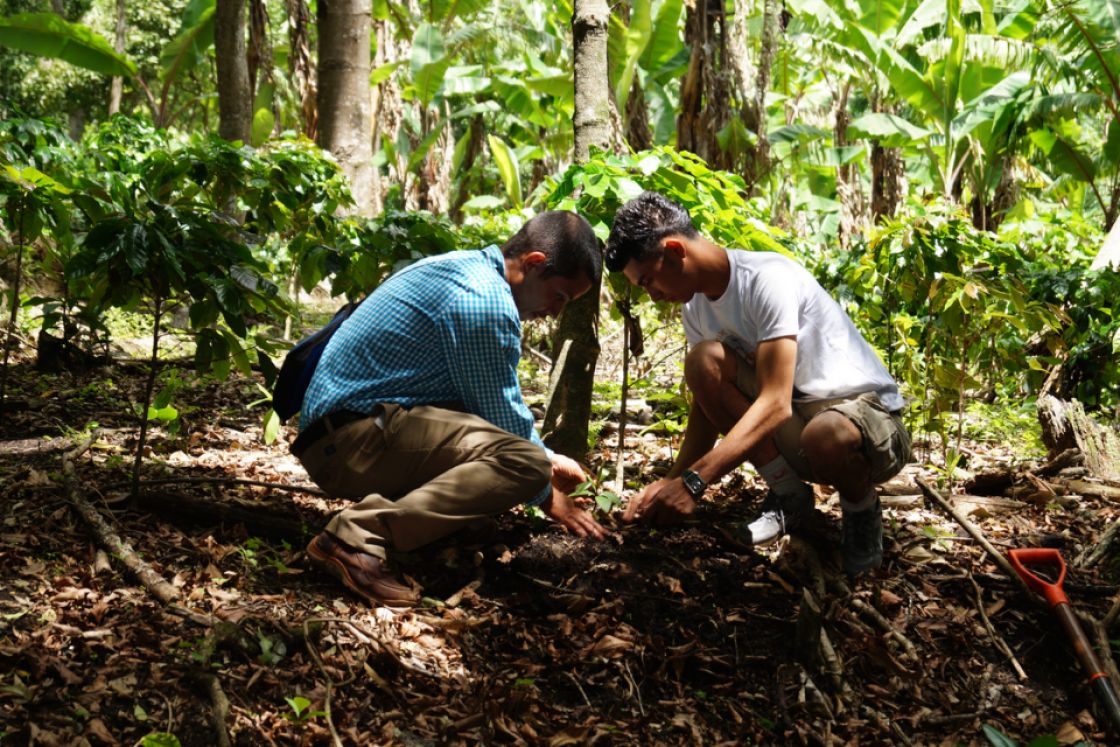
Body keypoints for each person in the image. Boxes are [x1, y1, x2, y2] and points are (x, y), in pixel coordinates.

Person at [293, 211, 609, 606]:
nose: (555, 312)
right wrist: (548, 493)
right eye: (559, 296)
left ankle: (418, 532)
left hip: (345, 434)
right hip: (351, 442)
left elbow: (483, 409)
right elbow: (504, 419)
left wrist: (548, 456)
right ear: (533, 264)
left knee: (518, 462)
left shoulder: (462, 268)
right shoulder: (484, 301)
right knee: (523, 466)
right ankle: (354, 536)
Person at [605, 192, 911, 577]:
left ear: (675, 250)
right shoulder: (695, 308)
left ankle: (861, 511)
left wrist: (696, 482)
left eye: (649, 281)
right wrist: (671, 480)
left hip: (866, 425)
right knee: (703, 362)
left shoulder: (766, 279)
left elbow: (775, 403)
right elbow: (706, 402)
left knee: (826, 435)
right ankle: (790, 497)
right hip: (799, 428)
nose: (652, 295)